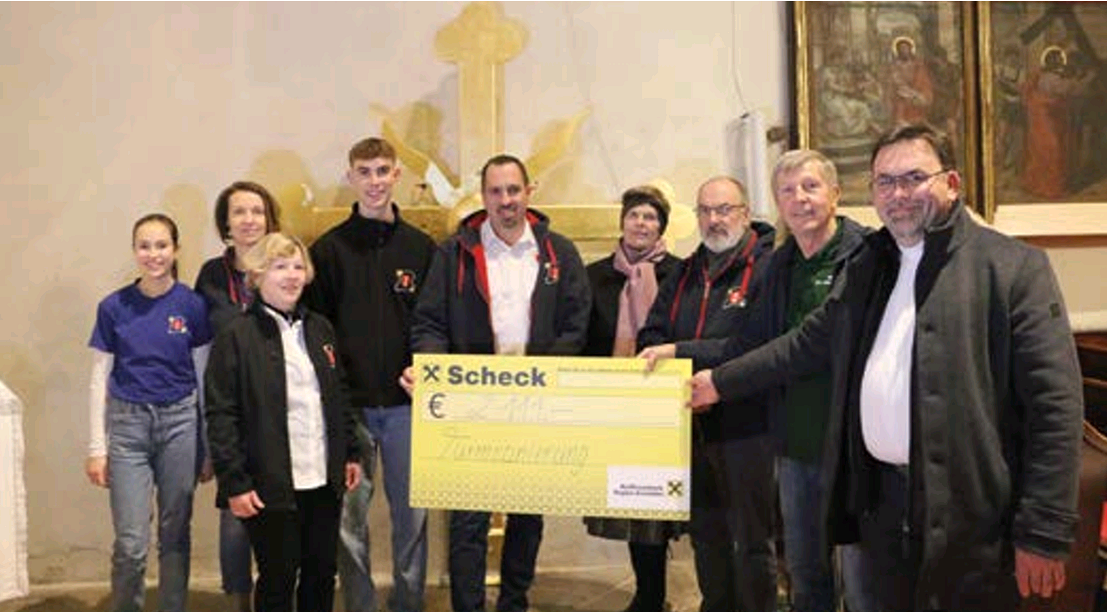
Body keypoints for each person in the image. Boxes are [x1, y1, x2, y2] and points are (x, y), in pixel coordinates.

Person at [688, 124, 1083, 609]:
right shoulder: (869, 265)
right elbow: (806, 344)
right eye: (885, 182)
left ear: (951, 183)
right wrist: (719, 382)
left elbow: (1055, 406)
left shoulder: (1012, 268)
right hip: (878, 505)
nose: (898, 194)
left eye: (914, 177)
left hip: (970, 516)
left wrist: (1044, 531)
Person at [644, 152, 874, 612]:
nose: (799, 199)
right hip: (794, 441)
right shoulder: (781, 265)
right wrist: (689, 362)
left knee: (862, 584)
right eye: (787, 191)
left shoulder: (866, 255)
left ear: (835, 194)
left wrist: (717, 380)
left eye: (810, 187)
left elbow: (805, 344)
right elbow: (749, 341)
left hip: (851, 442)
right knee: (806, 574)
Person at [404, 154, 591, 612]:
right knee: (467, 519)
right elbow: (429, 322)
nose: (505, 200)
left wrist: (544, 376)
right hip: (473, 407)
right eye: (495, 191)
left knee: (527, 514)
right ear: (483, 197)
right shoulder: (453, 253)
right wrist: (435, 370)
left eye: (513, 190)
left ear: (529, 192)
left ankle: (514, 602)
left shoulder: (559, 252)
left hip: (535, 404)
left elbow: (576, 322)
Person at [303, 137, 436, 612]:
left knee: (412, 517)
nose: (375, 181)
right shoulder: (328, 251)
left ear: (397, 174)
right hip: (351, 410)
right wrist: (334, 399)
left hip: (406, 408)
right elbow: (316, 333)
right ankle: (360, 604)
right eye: (365, 172)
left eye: (383, 171)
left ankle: (408, 603)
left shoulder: (421, 248)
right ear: (350, 177)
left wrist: (424, 364)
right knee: (348, 520)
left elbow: (433, 322)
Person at [638, 176, 777, 612]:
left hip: (749, 426)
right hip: (692, 426)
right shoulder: (684, 272)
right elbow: (652, 333)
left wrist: (680, 352)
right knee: (706, 534)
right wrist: (668, 358)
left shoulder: (770, 268)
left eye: (724, 210)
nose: (714, 220)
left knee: (753, 540)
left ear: (745, 213)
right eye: (705, 211)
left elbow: (752, 344)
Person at [205, 232, 362, 612]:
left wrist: (350, 452)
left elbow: (339, 394)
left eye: (297, 266)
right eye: (279, 266)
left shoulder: (320, 329)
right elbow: (221, 414)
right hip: (268, 483)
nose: (291, 275)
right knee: (278, 576)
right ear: (258, 275)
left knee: (321, 573)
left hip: (322, 478)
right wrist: (235, 482)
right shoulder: (236, 336)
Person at [85, 213, 212, 612]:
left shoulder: (192, 305)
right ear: (134, 251)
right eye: (144, 246)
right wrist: (97, 447)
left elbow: (203, 377)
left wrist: (207, 446)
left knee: (175, 533)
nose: (153, 254)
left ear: (176, 249)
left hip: (181, 424)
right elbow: (98, 380)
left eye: (162, 245)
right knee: (131, 542)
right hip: (128, 429)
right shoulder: (113, 307)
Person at [581, 185, 683, 612]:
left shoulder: (680, 273)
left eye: (650, 217)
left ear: (662, 226)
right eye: (634, 215)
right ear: (622, 221)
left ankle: (653, 596)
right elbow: (583, 335)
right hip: (612, 406)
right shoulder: (594, 275)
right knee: (631, 501)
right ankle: (648, 593)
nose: (641, 223)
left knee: (658, 504)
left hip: (666, 404)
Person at [194, 180, 282, 612]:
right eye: (239, 212)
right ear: (225, 223)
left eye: (257, 211)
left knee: (280, 518)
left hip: (280, 409)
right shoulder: (212, 275)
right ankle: (237, 602)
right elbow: (200, 349)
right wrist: (204, 437)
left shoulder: (284, 265)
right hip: (229, 408)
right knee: (234, 520)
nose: (249, 220)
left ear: (270, 218)